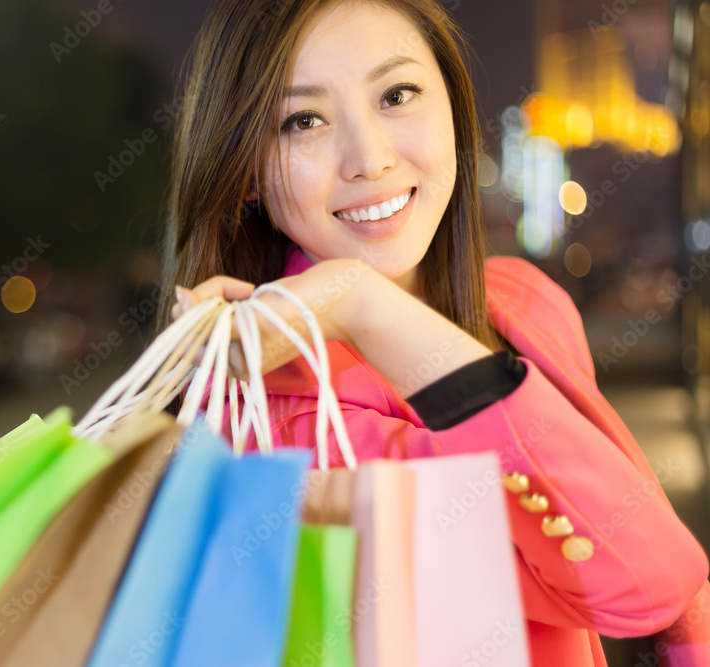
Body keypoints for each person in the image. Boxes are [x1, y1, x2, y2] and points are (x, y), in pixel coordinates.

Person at [150, 0, 710, 664]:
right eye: (304, 120)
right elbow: (644, 580)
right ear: (244, 171)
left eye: (397, 94)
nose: (370, 158)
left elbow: (677, 599)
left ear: (451, 104)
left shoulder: (522, 301)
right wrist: (361, 303)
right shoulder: (281, 422)